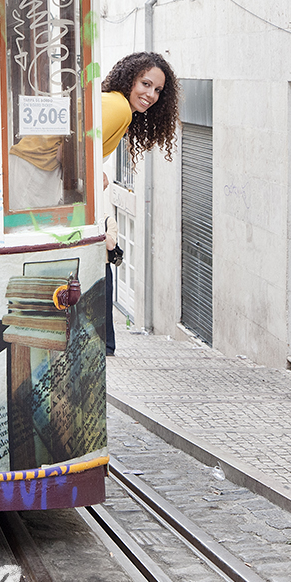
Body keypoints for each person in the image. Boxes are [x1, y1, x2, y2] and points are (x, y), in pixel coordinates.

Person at [99, 52, 180, 355]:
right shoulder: (118, 108)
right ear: (129, 79)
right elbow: (68, 148)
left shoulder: (118, 108)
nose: (151, 95)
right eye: (146, 84)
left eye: (158, 90)